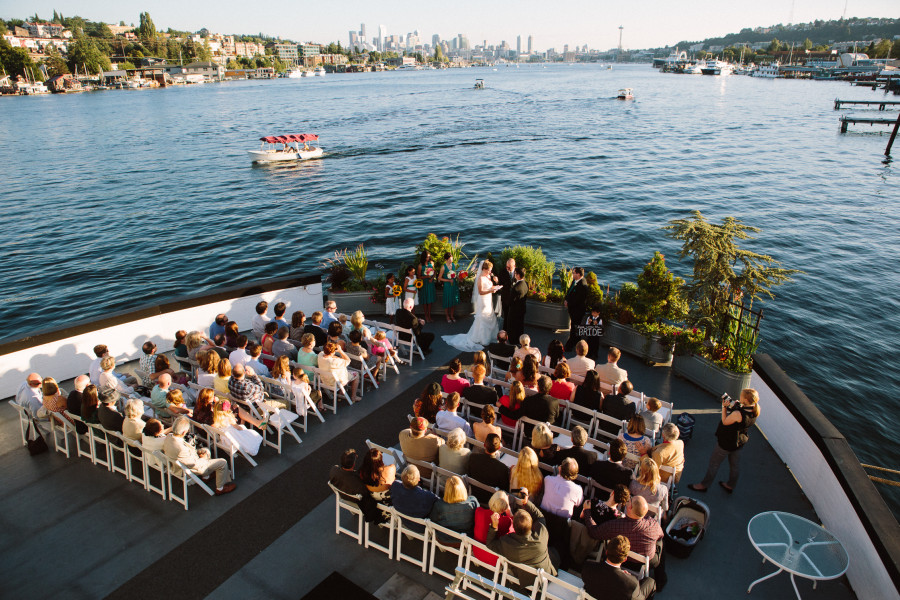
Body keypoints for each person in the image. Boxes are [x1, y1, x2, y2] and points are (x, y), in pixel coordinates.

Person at [689, 388, 761, 494]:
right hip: (739, 442)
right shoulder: (755, 409)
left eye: (741, 396)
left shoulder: (738, 413)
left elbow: (725, 421)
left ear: (745, 399)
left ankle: (703, 485)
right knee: (734, 466)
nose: (739, 397)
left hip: (726, 442)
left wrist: (724, 407)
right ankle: (730, 485)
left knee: (714, 464)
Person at [585, 496, 666, 589]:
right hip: (645, 563)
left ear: (630, 508)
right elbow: (660, 536)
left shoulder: (615, 525)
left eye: (630, 500)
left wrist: (587, 511)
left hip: (620, 560)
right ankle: (661, 579)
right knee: (661, 542)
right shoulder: (653, 524)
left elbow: (594, 533)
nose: (628, 500)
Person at [486, 487, 558, 585]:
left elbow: (490, 543)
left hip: (526, 579)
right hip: (547, 573)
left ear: (514, 527)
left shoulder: (508, 543)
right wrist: (526, 502)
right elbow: (539, 516)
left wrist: (494, 526)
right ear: (531, 525)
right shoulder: (542, 536)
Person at [164, 416, 236, 495]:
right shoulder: (181, 449)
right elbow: (194, 465)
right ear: (184, 432)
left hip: (180, 460)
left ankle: (206, 477)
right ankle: (220, 488)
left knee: (205, 450)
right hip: (190, 467)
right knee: (222, 462)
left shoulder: (169, 436)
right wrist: (203, 458)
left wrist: (199, 453)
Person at [443, 260, 503, 351]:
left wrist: (495, 286)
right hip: (483, 301)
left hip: (488, 300)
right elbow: (481, 292)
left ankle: (490, 337)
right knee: (483, 318)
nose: (490, 272)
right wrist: (491, 291)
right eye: (489, 270)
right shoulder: (480, 279)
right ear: (484, 269)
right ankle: (482, 339)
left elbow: (489, 287)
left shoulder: (487, 277)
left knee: (490, 316)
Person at [581, 535, 656, 600]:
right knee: (651, 582)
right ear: (625, 559)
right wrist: (626, 577)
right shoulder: (632, 583)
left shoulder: (588, 567)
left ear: (606, 552)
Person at [430, 475, 479, 542]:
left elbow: (433, 520)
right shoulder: (473, 502)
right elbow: (478, 521)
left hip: (443, 539)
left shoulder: (439, 505)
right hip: (465, 540)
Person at [473, 491, 515, 566]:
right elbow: (515, 529)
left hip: (477, 552)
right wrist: (509, 511)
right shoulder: (507, 521)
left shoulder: (479, 512)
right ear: (506, 506)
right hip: (495, 560)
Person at [467, 433, 510, 503]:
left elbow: (469, 474)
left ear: (484, 445)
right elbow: (505, 490)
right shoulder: (502, 468)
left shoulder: (473, 457)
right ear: (499, 448)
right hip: (492, 501)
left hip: (475, 495)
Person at [564, 267, 588, 351]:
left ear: (578, 274)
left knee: (574, 327)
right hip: (572, 309)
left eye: (574, 273)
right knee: (575, 326)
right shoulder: (575, 281)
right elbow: (570, 291)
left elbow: (578, 300)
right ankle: (577, 341)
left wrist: (569, 303)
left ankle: (569, 345)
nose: (572, 274)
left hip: (577, 310)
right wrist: (566, 299)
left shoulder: (582, 285)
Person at [505, 268, 529, 344]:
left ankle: (513, 341)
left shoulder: (516, 287)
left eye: (515, 273)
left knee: (512, 326)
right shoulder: (525, 284)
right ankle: (520, 340)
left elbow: (511, 301)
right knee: (520, 326)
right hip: (522, 309)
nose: (514, 275)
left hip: (514, 311)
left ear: (518, 275)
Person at [438, 252, 460, 323]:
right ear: (446, 260)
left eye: (452, 258)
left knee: (453, 300)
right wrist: (448, 280)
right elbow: (439, 278)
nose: (451, 260)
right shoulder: (443, 267)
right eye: (450, 259)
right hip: (447, 286)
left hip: (454, 285)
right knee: (447, 301)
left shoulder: (453, 265)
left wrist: (459, 278)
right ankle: (447, 316)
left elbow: (455, 275)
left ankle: (452, 315)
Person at [495, 258, 516, 331]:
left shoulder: (518, 272)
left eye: (509, 267)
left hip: (515, 299)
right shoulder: (503, 272)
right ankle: (505, 331)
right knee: (506, 315)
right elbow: (500, 284)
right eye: (507, 266)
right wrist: (497, 281)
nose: (507, 268)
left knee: (514, 316)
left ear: (514, 266)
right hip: (505, 297)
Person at [417, 250, 437, 322]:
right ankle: (426, 316)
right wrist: (426, 277)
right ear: (424, 257)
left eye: (429, 257)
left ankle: (429, 315)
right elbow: (419, 276)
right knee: (425, 301)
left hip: (430, 283)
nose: (428, 258)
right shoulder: (420, 266)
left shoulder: (431, 263)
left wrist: (432, 278)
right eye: (427, 257)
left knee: (430, 300)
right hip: (424, 284)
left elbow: (434, 273)